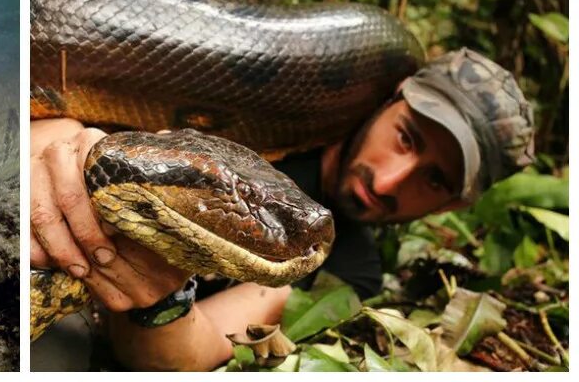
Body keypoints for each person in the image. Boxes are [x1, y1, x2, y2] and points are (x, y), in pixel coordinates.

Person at [31, 48, 534, 371]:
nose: (387, 181)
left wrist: (160, 296)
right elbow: (55, 117)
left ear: (456, 203)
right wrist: (65, 147)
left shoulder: (346, 268)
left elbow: (192, 352)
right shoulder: (253, 105)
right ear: (392, 98)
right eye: (406, 137)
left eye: (434, 178)